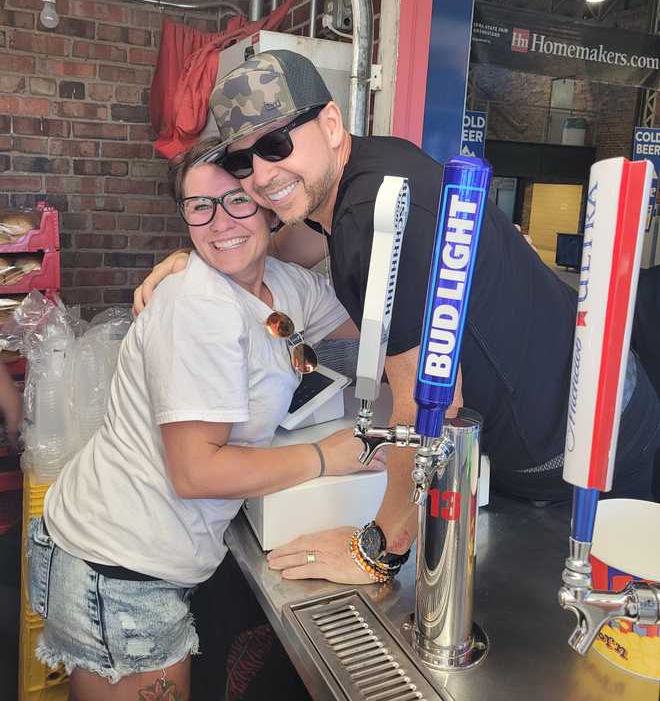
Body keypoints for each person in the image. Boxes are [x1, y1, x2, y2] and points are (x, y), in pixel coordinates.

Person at [134, 50, 660, 587]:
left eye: (276, 144)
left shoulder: (377, 222)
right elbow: (290, 240)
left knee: (603, 637)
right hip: (552, 431)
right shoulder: (369, 172)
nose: (264, 175)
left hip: (585, 451)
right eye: (245, 161)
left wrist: (377, 550)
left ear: (332, 125)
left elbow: (428, 411)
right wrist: (208, 255)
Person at [27, 146, 383, 701]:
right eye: (200, 207)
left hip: (139, 556)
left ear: (268, 204)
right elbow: (195, 471)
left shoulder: (286, 288)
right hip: (117, 567)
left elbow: (372, 336)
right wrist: (325, 457)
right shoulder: (196, 309)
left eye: (237, 200)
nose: (221, 224)